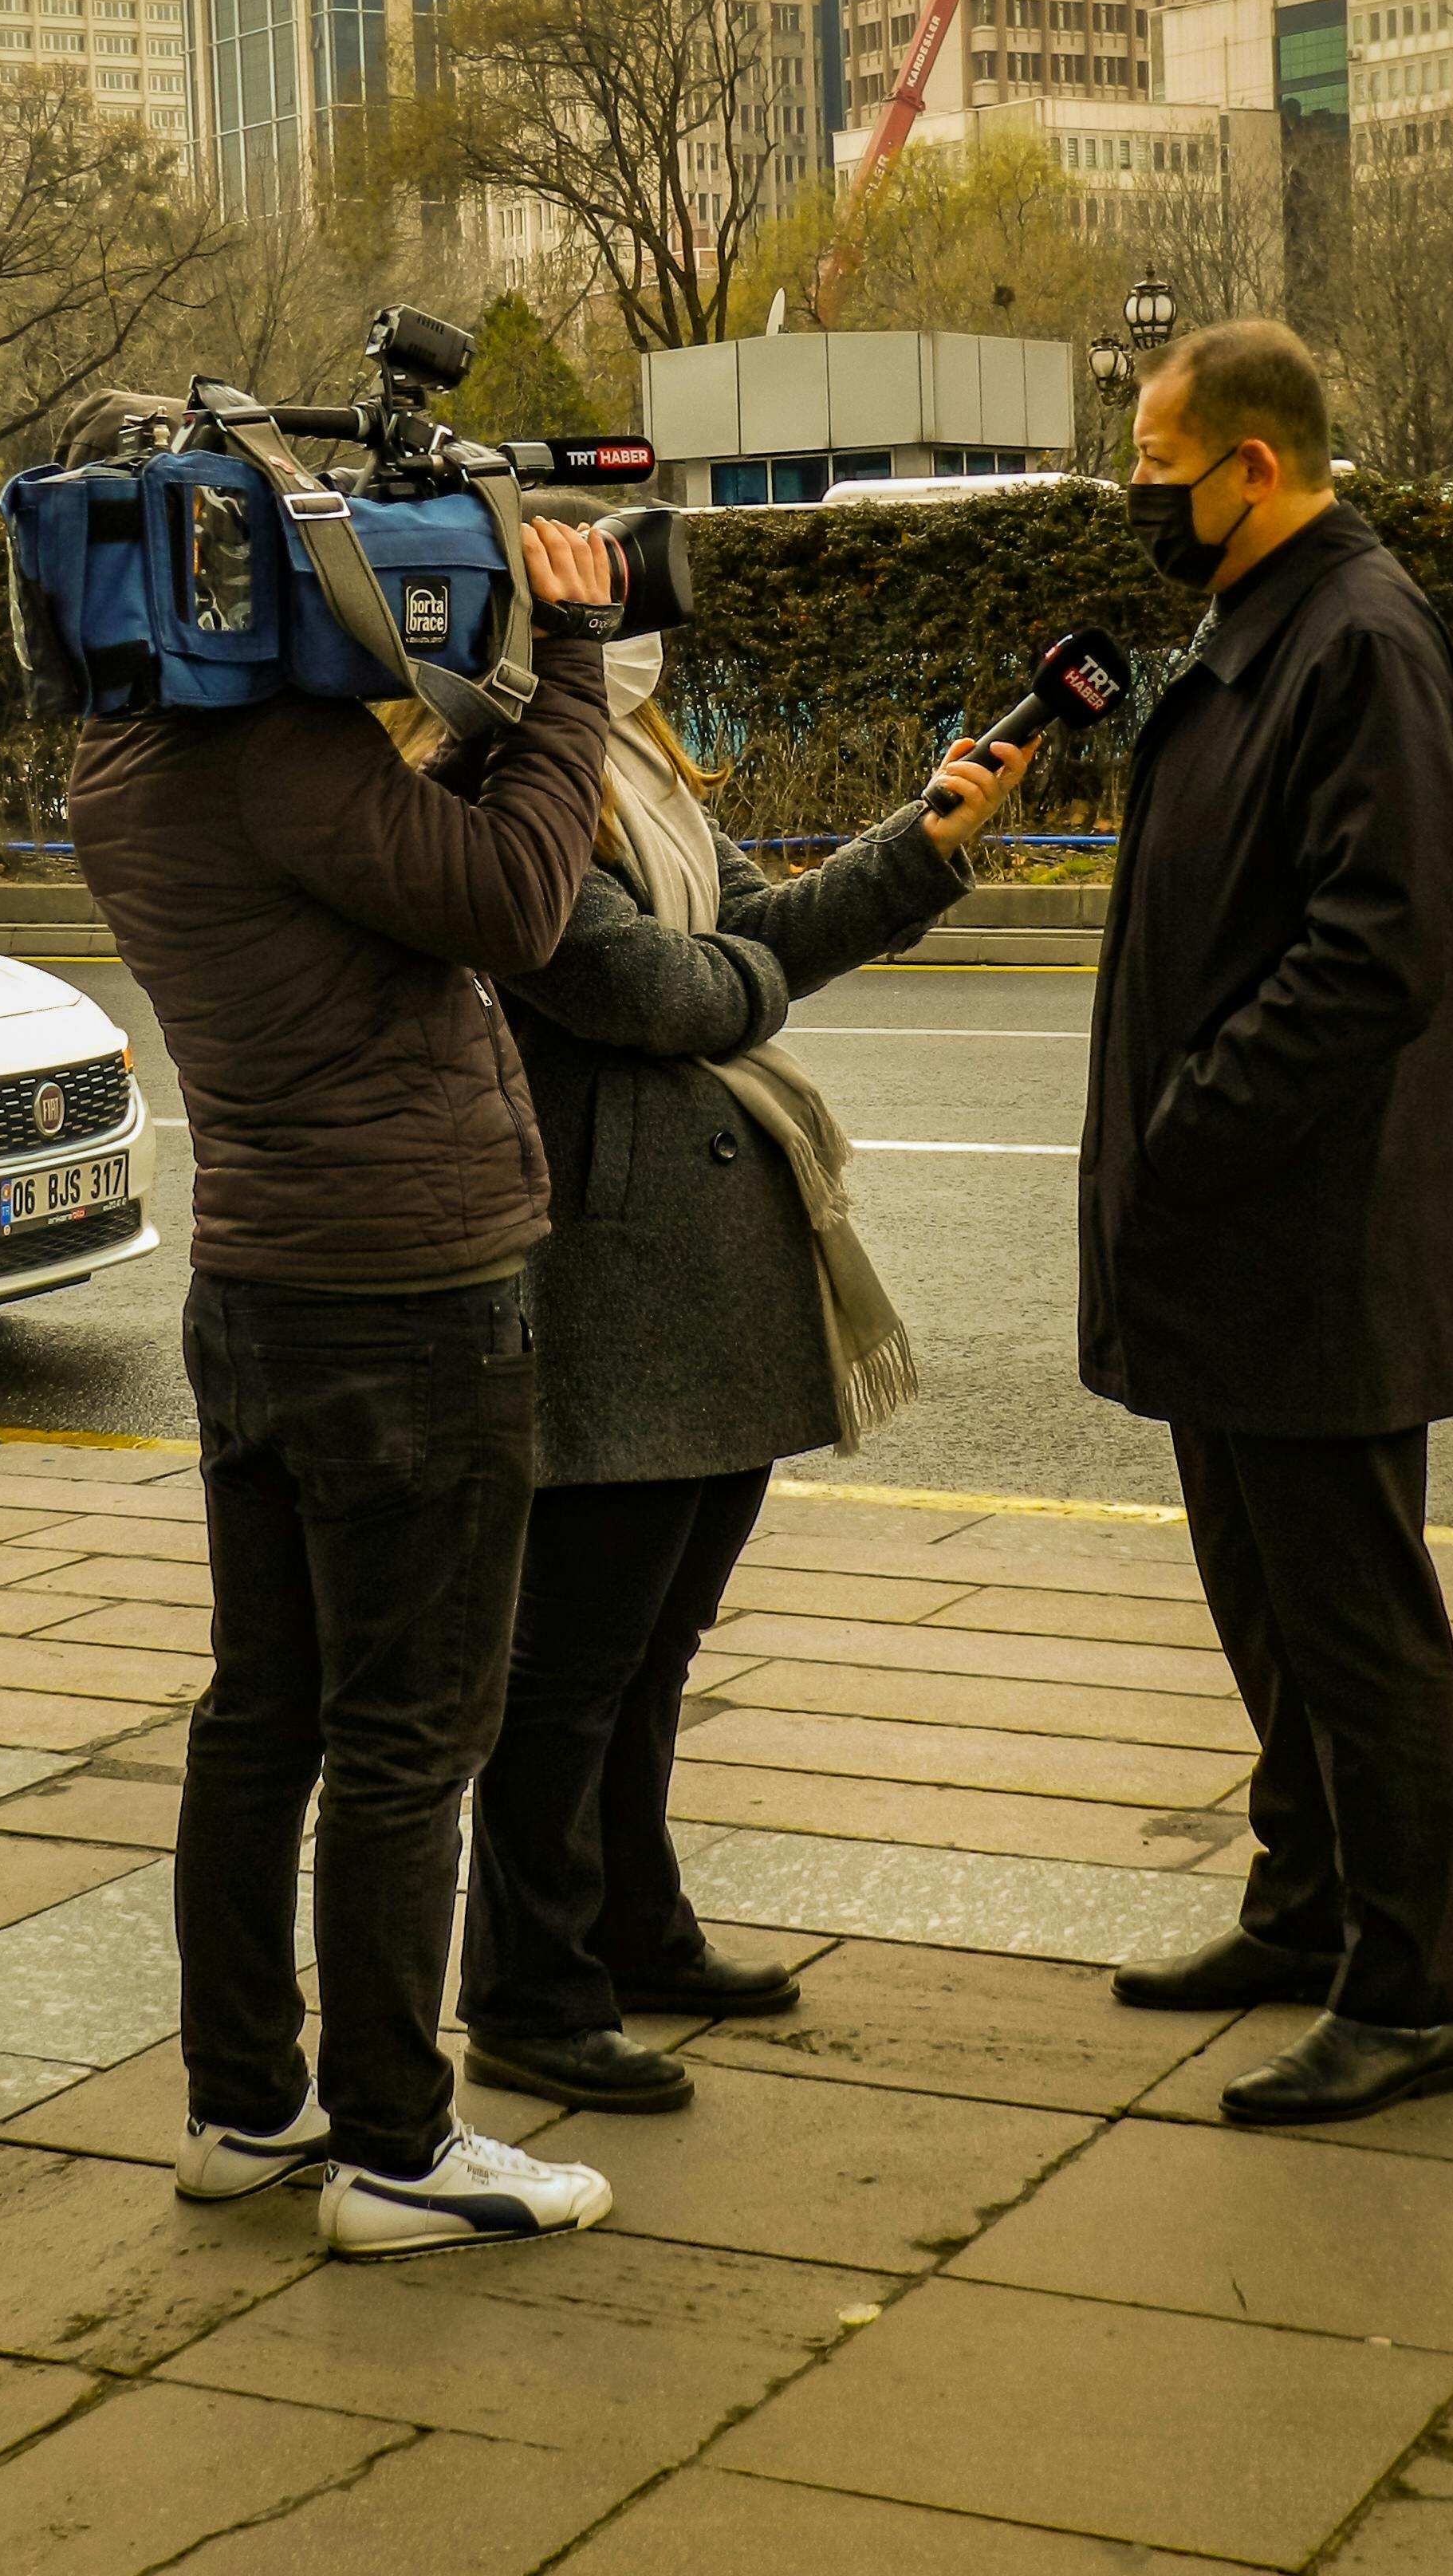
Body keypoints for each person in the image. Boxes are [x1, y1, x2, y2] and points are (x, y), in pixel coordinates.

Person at [70, 515, 625, 2260]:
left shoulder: (127, 752)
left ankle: (248, 2102)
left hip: (260, 1286)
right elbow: (518, 898)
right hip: (409, 1291)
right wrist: (576, 657)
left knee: (264, 1713)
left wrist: (457, 717)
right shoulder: (287, 760)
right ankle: (398, 2142)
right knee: (410, 1735)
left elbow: (373, 847)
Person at [454, 606, 1031, 2110]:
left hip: (700, 1284)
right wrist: (733, 983)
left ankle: (633, 1928)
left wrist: (920, 841)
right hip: (609, 1285)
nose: (641, 637)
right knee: (569, 1667)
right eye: (604, 608)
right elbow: (649, 989)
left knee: (654, 1651)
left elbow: (741, 944)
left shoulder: (635, 770)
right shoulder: (495, 781)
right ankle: (526, 1988)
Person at [1081, 318, 1453, 2129]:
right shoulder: (1264, 621)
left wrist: (1196, 1121)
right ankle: (1301, 1905)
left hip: (1305, 1242)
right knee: (1266, 1608)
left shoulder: (1362, 636)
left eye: (1159, 469)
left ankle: (1403, 1995)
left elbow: (1374, 946)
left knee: (1356, 1626)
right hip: (1229, 1246)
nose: (1137, 497)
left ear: (1255, 464)